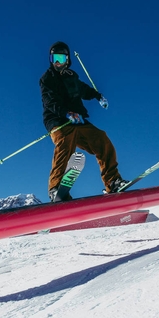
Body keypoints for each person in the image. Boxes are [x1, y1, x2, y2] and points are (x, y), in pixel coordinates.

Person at [39, 41, 127, 202]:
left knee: (101, 139)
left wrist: (98, 96)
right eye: (54, 59)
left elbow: (84, 90)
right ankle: (55, 188)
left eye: (61, 58)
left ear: (68, 59)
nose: (58, 63)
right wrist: (66, 113)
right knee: (66, 142)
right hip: (58, 121)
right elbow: (49, 102)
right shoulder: (47, 79)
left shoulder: (72, 77)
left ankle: (112, 181)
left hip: (78, 120)